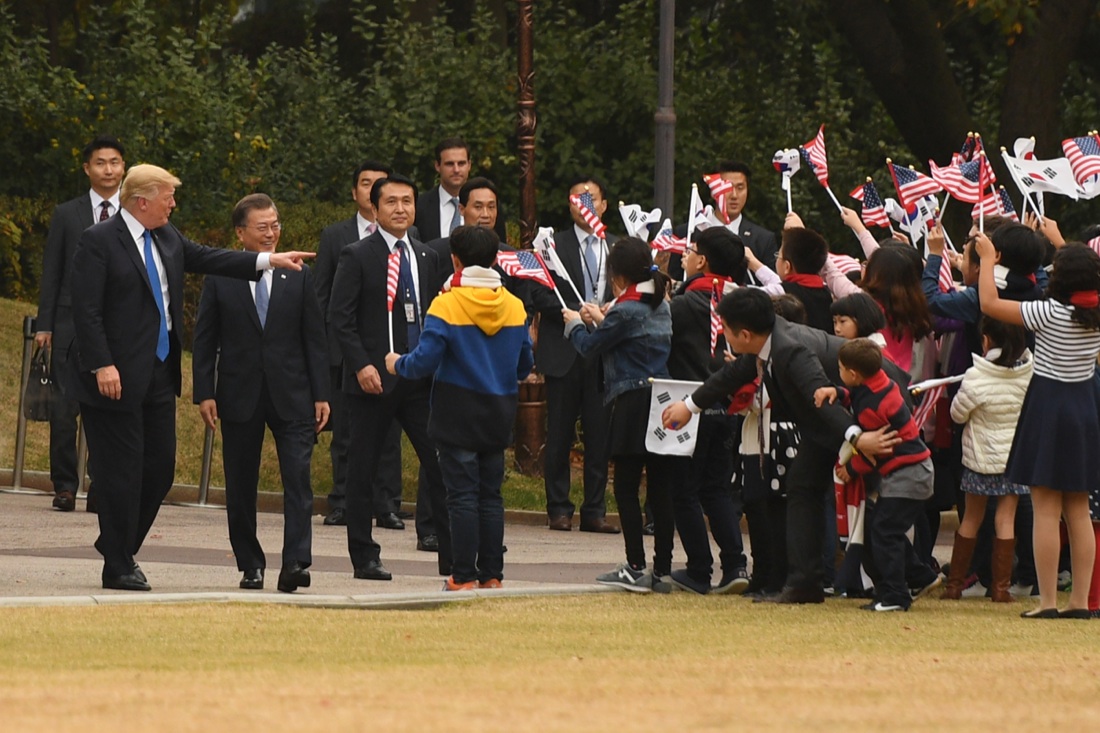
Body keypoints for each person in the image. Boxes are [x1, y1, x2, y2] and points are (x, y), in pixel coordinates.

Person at [63, 164, 315, 591]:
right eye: (168, 197)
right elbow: (85, 310)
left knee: (160, 469)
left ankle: (117, 544)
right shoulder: (99, 240)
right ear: (142, 201)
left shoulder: (166, 236)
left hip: (158, 373)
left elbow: (209, 257)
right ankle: (118, 564)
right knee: (121, 472)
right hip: (113, 376)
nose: (174, 204)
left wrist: (268, 260)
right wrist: (101, 363)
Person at [661, 288, 903, 603]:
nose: (723, 337)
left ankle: (907, 577)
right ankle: (805, 584)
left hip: (880, 410)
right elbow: (730, 375)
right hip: (837, 422)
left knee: (875, 501)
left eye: (726, 330)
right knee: (802, 486)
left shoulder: (790, 349)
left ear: (744, 335)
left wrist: (858, 438)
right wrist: (688, 406)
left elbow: (823, 399)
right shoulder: (767, 341)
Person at [192, 194, 330, 593]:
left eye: (276, 226)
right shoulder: (221, 275)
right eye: (262, 227)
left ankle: (296, 562)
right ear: (241, 233)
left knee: (298, 478)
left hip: (293, 392)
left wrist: (322, 394)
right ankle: (250, 563)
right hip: (239, 392)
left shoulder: (298, 274)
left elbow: (314, 338)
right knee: (240, 484)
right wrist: (205, 392)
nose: (271, 234)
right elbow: (205, 338)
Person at [385, 226, 533, 590]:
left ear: (455, 260)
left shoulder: (447, 303)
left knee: (462, 496)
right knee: (491, 496)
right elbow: (524, 365)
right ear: (496, 260)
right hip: (498, 409)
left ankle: (463, 574)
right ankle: (492, 574)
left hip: (456, 410)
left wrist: (396, 363)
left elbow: (424, 360)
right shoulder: (514, 306)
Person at [328, 173, 452, 581]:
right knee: (362, 470)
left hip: (418, 380)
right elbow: (340, 318)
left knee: (440, 464)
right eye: (392, 202)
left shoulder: (426, 255)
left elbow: (434, 314)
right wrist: (361, 364)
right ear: (375, 208)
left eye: (407, 201)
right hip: (373, 380)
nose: (401, 209)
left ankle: (452, 557)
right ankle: (365, 556)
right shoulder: (357, 255)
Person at [975, 236, 1100, 619]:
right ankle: (1079, 602)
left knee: (1046, 509)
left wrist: (986, 260)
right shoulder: (1095, 314)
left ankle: (1047, 603)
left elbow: (989, 304)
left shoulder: (1048, 313)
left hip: (1048, 406)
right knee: (1079, 510)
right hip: (1084, 408)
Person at [562, 237, 674, 591]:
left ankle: (635, 565)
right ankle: (663, 569)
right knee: (660, 489)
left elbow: (590, 347)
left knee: (626, 486)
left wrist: (574, 324)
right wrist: (601, 318)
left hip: (632, 401)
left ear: (618, 275)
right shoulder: (660, 303)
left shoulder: (625, 310)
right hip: (664, 400)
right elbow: (627, 336)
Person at [313, 160, 408, 532]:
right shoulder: (335, 236)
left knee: (390, 437)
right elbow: (324, 297)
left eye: (380, 184)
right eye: (366, 183)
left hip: (393, 354)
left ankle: (387, 504)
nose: (374, 190)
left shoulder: (410, 239)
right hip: (346, 353)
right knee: (346, 433)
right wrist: (327, 348)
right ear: (356, 192)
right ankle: (342, 501)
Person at [814, 339, 940, 612]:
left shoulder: (873, 408)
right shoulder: (879, 384)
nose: (839, 373)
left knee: (884, 532)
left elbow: (875, 451)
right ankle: (918, 577)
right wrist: (837, 391)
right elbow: (855, 394)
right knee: (882, 527)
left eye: (840, 369)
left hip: (907, 473)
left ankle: (895, 596)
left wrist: (850, 469)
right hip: (914, 471)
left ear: (854, 373)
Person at [36, 134, 125, 513]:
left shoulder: (133, 214)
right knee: (64, 409)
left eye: (115, 162)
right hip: (69, 325)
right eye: (100, 162)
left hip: (117, 327)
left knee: (108, 412)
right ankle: (65, 486)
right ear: (87, 168)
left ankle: (103, 486)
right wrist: (45, 325)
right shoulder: (66, 214)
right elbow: (52, 272)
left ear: (124, 167)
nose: (108, 169)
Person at [530, 176, 619, 533]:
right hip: (564, 348)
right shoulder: (552, 246)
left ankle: (595, 510)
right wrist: (572, 313)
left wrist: (609, 311)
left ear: (604, 205)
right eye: (578, 199)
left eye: (591, 199)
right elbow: (539, 293)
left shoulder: (617, 246)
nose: (585, 205)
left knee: (600, 435)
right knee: (560, 434)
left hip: (603, 352)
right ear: (569, 205)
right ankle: (558, 508)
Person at [664, 227, 750, 594]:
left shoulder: (683, 305)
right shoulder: (742, 302)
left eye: (690, 251)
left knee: (684, 490)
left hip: (689, 404)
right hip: (729, 407)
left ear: (702, 261)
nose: (684, 256)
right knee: (716, 489)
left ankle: (699, 569)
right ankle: (735, 565)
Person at [942, 317, 1032, 603]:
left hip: (979, 459)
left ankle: (954, 586)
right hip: (1014, 459)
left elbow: (957, 415)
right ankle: (1001, 589)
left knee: (971, 518)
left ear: (987, 340)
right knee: (1006, 519)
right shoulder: (1029, 373)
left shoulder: (976, 375)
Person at [670, 162, 778, 279]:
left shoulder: (763, 240)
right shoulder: (687, 233)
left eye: (740, 188)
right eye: (727, 188)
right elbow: (673, 281)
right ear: (713, 191)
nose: (734, 195)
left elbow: (775, 286)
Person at [744, 224, 833, 333]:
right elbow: (780, 283)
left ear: (787, 266)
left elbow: (742, 295)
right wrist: (753, 263)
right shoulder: (826, 291)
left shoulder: (784, 292)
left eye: (778, 256)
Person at [414, 137, 472, 241]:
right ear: (437, 166)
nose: (456, 170)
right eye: (449, 164)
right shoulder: (419, 206)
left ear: (469, 165)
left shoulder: (487, 206)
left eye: (461, 163)